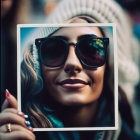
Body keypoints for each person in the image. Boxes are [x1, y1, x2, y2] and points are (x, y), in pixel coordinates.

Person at [0, 0, 140, 140]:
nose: (73, 63)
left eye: (91, 49)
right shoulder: (21, 134)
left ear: (108, 70)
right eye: (54, 50)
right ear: (38, 66)